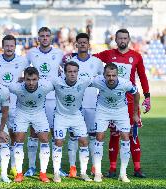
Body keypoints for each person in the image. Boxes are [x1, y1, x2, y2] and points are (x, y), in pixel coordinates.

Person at [93, 29, 150, 178]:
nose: (122, 40)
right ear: (116, 40)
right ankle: (112, 169)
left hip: (130, 103)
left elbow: (142, 76)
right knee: (114, 135)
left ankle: (137, 168)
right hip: (111, 102)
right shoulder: (107, 54)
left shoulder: (136, 56)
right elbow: (90, 60)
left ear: (129, 39)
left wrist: (147, 96)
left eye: (125, 38)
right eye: (120, 38)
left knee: (132, 135)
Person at [25, 26, 66, 177]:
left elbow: (66, 71)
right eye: (41, 36)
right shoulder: (31, 53)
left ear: (51, 37)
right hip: (35, 98)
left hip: (53, 99)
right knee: (34, 132)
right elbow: (22, 72)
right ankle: (31, 166)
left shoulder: (59, 53)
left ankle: (57, 167)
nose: (44, 38)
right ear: (38, 38)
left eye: (47, 35)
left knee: (56, 133)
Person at [62, 33, 103, 177]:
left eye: (85, 42)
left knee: (92, 136)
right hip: (75, 105)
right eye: (80, 42)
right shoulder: (71, 62)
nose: (83, 45)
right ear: (76, 45)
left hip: (92, 104)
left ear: (88, 44)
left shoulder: (97, 62)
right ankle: (73, 168)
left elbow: (103, 81)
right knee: (73, 136)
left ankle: (93, 167)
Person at [92, 63, 140, 183]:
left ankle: (123, 173)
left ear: (117, 75)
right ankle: (97, 172)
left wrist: (135, 113)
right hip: (103, 110)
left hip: (120, 111)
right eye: (108, 75)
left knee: (125, 137)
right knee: (99, 137)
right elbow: (82, 85)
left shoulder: (125, 83)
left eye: (114, 75)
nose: (111, 78)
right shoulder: (97, 80)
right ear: (104, 75)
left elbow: (136, 94)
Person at [0, 34, 29, 178]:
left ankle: (13, 167)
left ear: (15, 47)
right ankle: (0, 168)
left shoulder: (23, 61)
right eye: (6, 45)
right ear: (2, 46)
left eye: (12, 46)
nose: (9, 48)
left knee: (14, 135)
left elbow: (29, 77)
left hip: (16, 104)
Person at [9, 67, 53, 183]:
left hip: (39, 113)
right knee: (18, 139)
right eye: (28, 79)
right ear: (24, 79)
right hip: (22, 113)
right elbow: (3, 87)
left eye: (34, 79)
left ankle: (43, 173)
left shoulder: (46, 86)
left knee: (44, 139)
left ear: (38, 78)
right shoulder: (16, 87)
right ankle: (19, 173)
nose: (31, 83)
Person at [52, 61, 92, 183]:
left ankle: (84, 173)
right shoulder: (56, 82)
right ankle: (56, 173)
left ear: (78, 73)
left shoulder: (84, 81)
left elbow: (102, 81)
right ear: (64, 73)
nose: (72, 74)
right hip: (61, 116)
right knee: (58, 142)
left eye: (75, 72)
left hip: (76, 116)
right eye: (69, 71)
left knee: (84, 141)